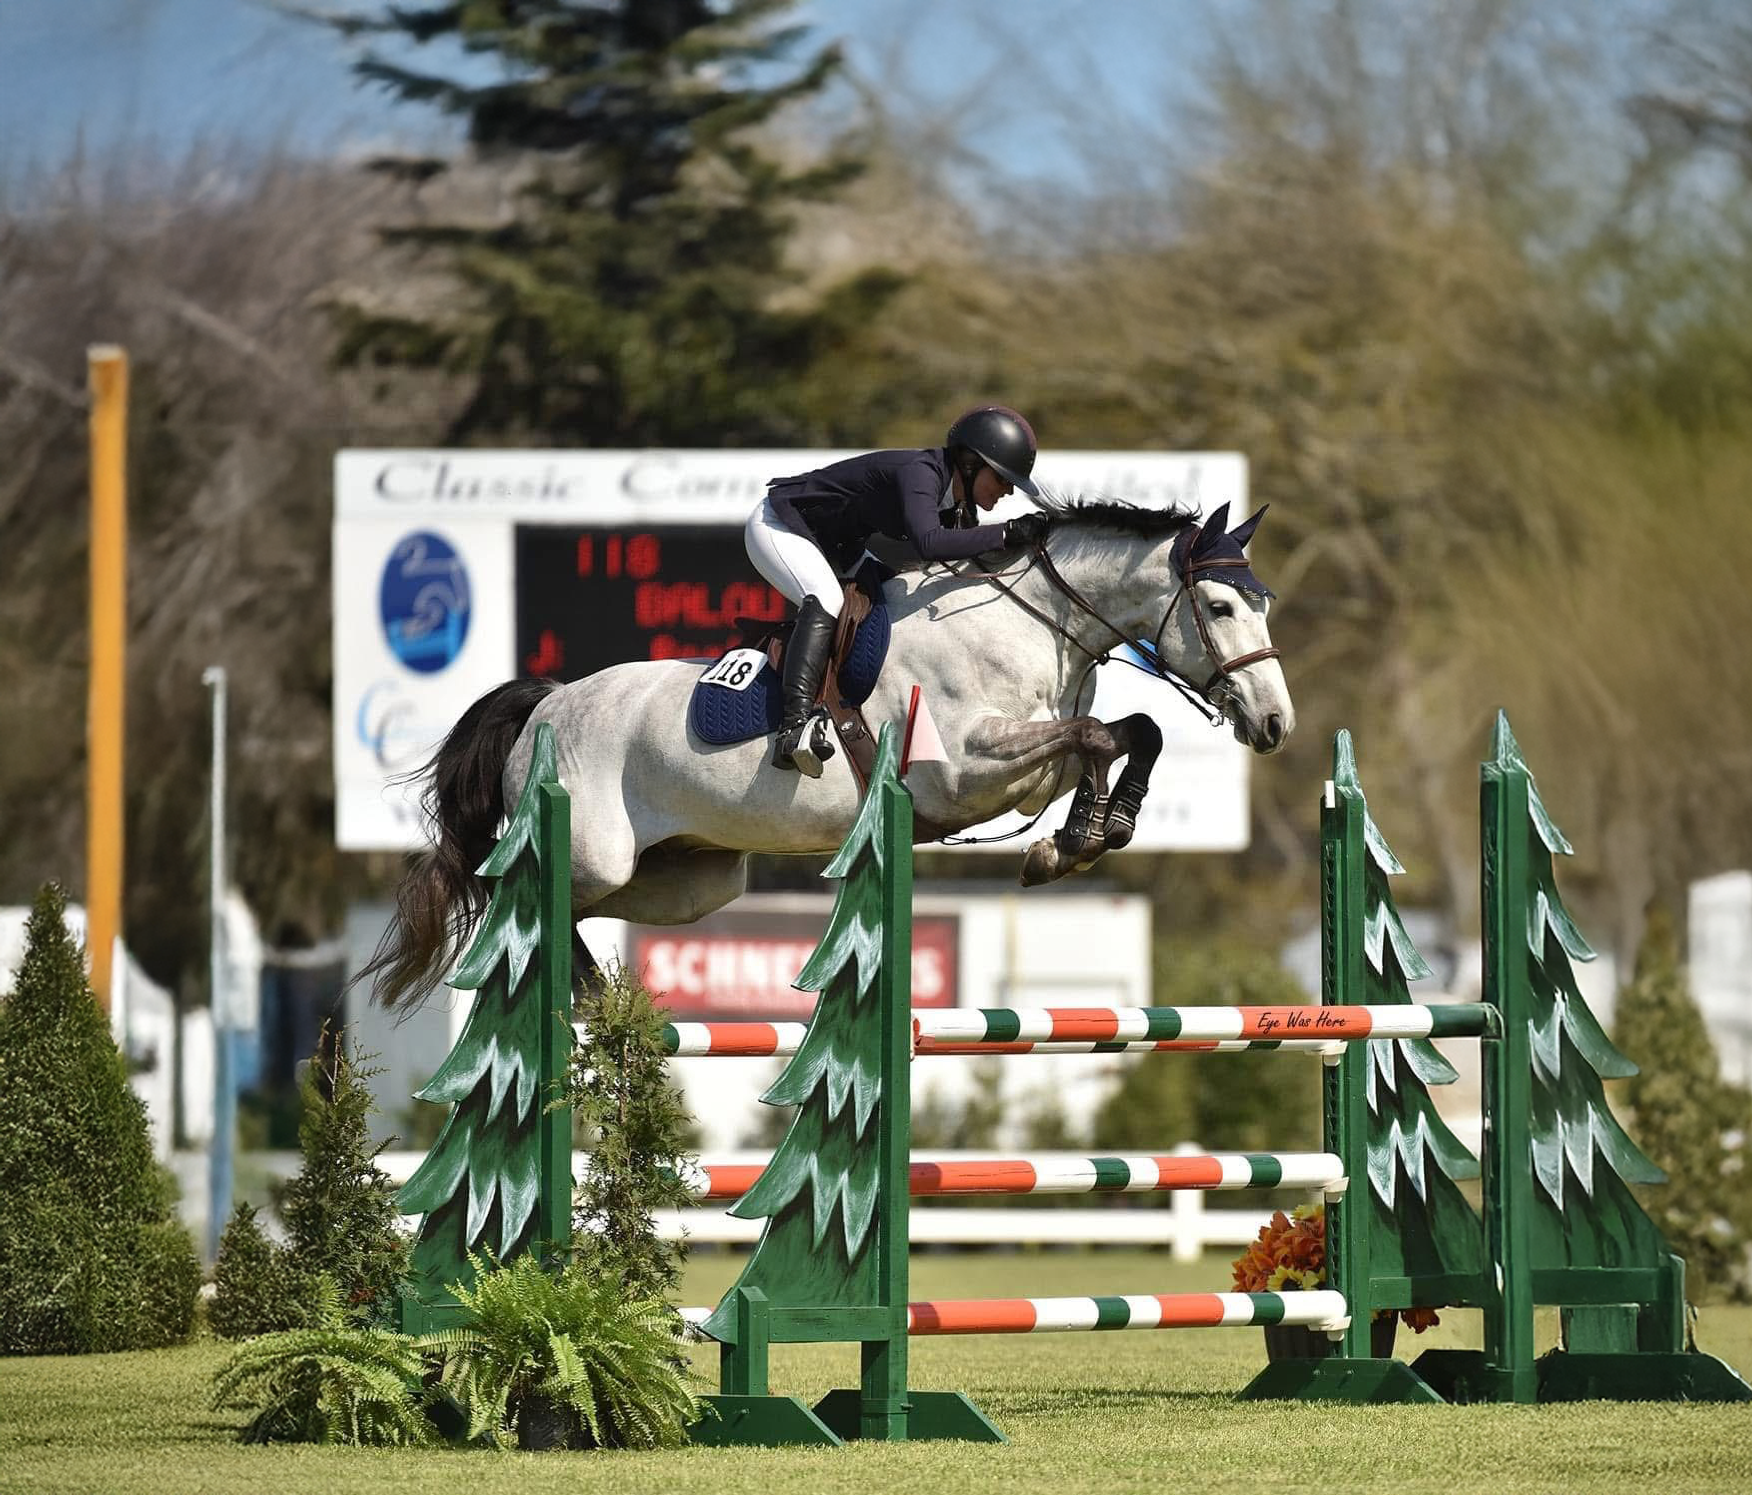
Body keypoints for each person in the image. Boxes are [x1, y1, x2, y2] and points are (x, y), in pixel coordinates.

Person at [745, 405, 1052, 775]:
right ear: (970, 463)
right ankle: (794, 727)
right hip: (780, 527)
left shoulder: (957, 504)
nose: (1007, 492)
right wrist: (1006, 532)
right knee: (826, 599)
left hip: (837, 548)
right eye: (1003, 480)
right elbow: (928, 542)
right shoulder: (920, 473)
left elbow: (957, 564)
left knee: (894, 592)